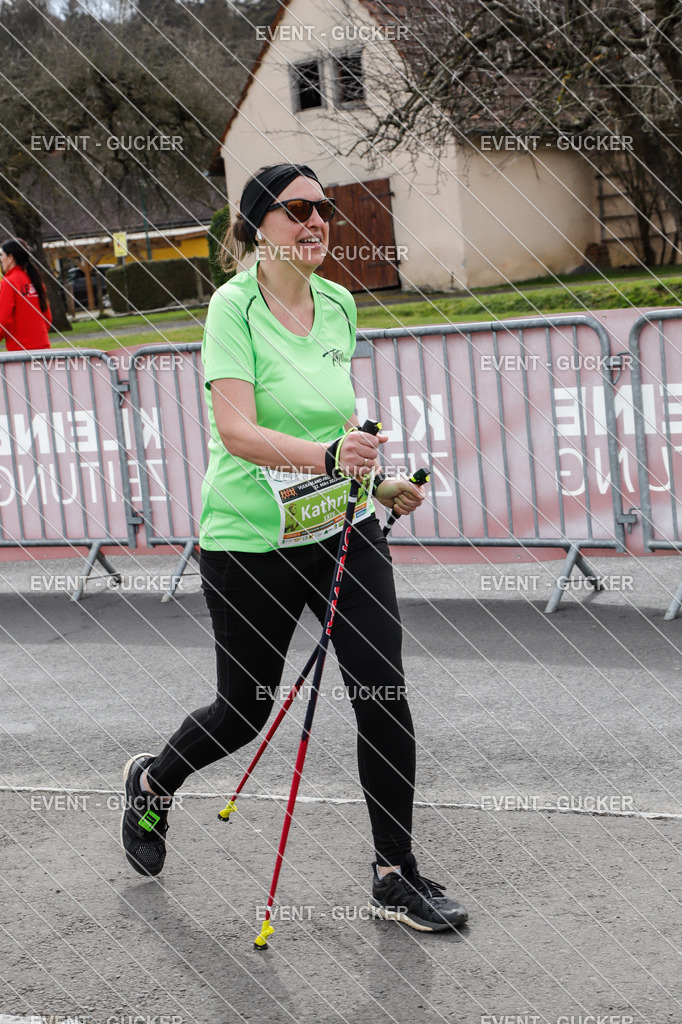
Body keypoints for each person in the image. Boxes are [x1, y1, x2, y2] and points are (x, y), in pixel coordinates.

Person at [120, 163, 468, 933]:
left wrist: (375, 487)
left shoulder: (341, 304)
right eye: (298, 210)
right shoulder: (232, 309)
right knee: (244, 710)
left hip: (342, 529)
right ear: (255, 226)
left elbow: (333, 430)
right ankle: (153, 781)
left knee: (383, 690)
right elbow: (236, 432)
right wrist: (328, 462)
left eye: (326, 210)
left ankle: (393, 874)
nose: (316, 223)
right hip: (250, 542)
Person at [0, 239, 51, 351]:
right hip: (44, 348)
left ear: (10, 258)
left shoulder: (9, 282)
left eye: (2, 255)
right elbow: (47, 317)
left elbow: (2, 320)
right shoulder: (35, 281)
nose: (0, 259)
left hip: (21, 351)